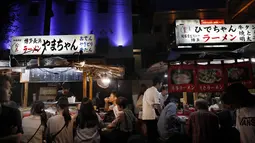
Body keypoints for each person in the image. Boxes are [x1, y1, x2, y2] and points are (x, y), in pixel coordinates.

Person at [142, 76, 162, 143]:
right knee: (153, 135)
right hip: (151, 116)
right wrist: (161, 114)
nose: (161, 86)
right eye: (161, 84)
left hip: (146, 116)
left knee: (150, 134)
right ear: (158, 83)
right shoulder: (155, 91)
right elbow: (157, 104)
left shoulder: (148, 90)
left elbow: (152, 104)